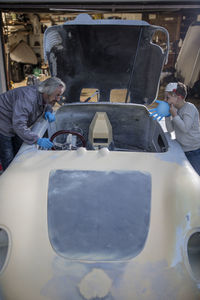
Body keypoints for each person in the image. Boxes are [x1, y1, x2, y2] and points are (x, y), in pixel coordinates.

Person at [0, 76, 65, 171]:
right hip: (3, 122)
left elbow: (48, 102)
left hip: (15, 121)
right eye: (57, 95)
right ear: (47, 92)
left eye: (60, 95)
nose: (58, 99)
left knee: (20, 153)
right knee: (9, 159)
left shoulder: (44, 94)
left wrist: (48, 110)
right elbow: (19, 125)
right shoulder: (27, 99)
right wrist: (37, 140)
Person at [165, 81, 200, 176]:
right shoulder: (175, 110)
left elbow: (185, 128)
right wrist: (167, 116)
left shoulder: (190, 108)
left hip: (194, 151)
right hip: (182, 149)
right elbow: (170, 130)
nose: (166, 100)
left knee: (196, 177)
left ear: (178, 97)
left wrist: (174, 115)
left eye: (168, 97)